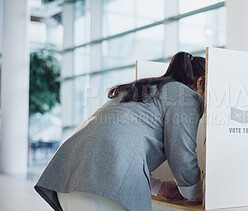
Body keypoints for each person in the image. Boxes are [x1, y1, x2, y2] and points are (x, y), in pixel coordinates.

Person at [34, 52, 205, 211]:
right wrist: (201, 194)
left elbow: (118, 144)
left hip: (68, 181)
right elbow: (181, 154)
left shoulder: (142, 88)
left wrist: (159, 187)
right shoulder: (186, 96)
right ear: (200, 82)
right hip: (103, 190)